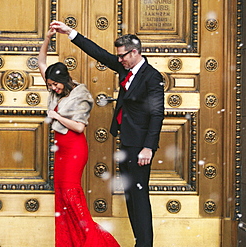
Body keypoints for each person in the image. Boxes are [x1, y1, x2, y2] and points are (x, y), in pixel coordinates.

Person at [50, 21, 164, 247]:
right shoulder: (126, 68)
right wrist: (70, 33)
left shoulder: (152, 77)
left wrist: (148, 148)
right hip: (128, 143)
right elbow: (99, 54)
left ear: (135, 52)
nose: (119, 59)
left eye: (122, 56)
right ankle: (139, 242)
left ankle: (145, 244)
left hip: (141, 148)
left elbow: (157, 114)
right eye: (119, 56)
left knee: (139, 199)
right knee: (132, 198)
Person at [38, 28, 120, 247]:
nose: (53, 88)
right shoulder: (56, 89)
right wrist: (47, 39)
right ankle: (70, 242)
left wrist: (56, 115)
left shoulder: (80, 95)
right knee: (62, 197)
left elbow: (79, 127)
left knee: (72, 197)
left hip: (74, 149)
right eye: (50, 85)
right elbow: (41, 63)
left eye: (55, 84)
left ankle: (96, 242)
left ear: (65, 80)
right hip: (61, 149)